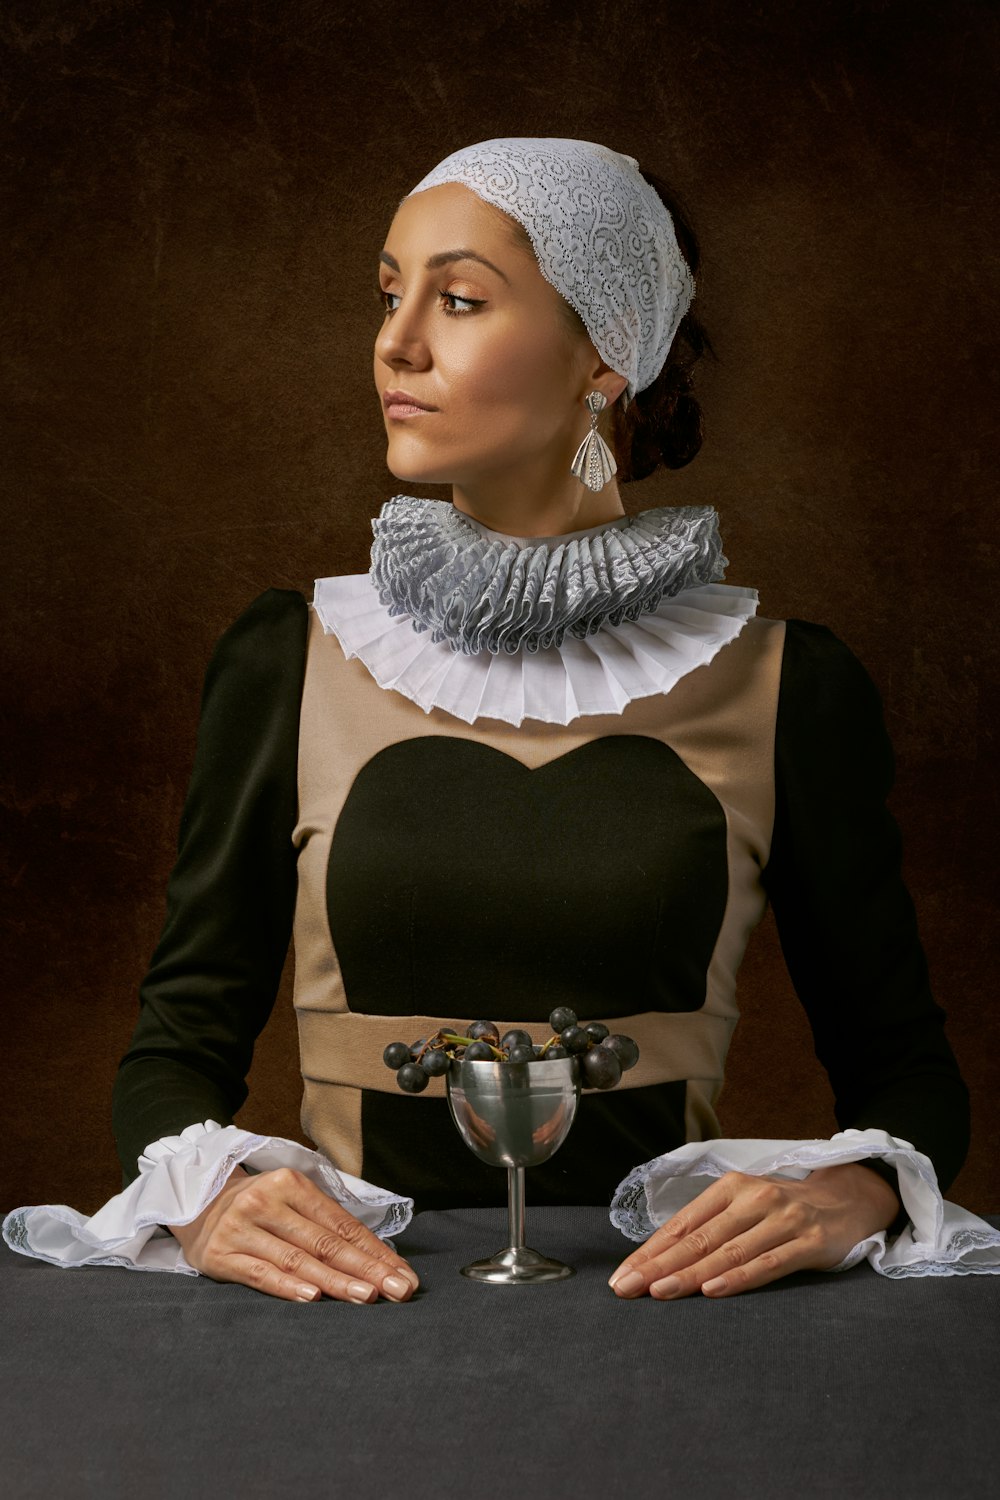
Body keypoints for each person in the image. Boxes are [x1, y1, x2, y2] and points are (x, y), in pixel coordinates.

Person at [17, 137, 975, 1303]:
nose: (395, 340)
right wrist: (210, 1193)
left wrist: (860, 1185)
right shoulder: (290, 659)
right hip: (345, 1319)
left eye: (459, 299)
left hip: (680, 1330)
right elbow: (175, 1052)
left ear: (604, 360)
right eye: (389, 292)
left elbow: (906, 1073)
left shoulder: (787, 686)